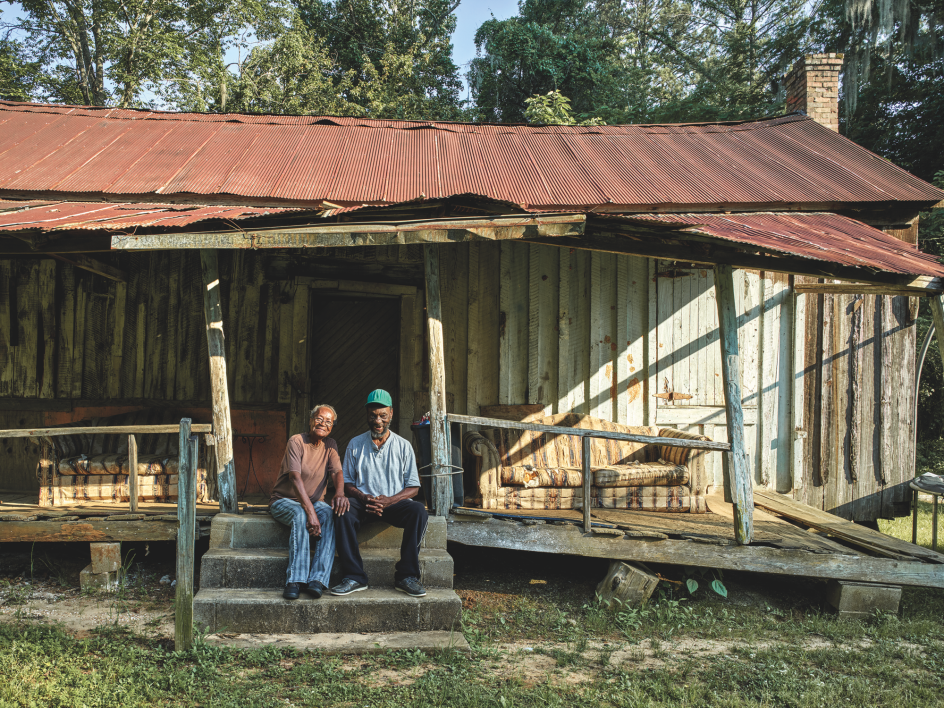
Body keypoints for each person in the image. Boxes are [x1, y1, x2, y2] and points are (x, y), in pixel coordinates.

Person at [330, 389, 429, 597]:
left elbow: (414, 487)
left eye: (383, 415)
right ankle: (354, 576)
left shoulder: (403, 446)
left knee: (418, 510)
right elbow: (347, 483)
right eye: (373, 415)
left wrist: (390, 500)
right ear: (367, 415)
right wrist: (362, 496)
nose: (378, 420)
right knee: (341, 511)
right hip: (363, 502)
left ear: (391, 414)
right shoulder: (356, 444)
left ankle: (407, 576)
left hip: (392, 504)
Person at [269, 405, 349, 600]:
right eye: (320, 419)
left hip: (314, 502)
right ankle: (295, 580)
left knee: (330, 514)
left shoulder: (330, 445)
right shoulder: (296, 441)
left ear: (332, 427)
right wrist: (311, 513)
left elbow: (337, 472)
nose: (323, 424)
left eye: (328, 422)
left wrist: (339, 493)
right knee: (300, 513)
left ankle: (318, 580)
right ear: (311, 419)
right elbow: (295, 478)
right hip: (283, 501)